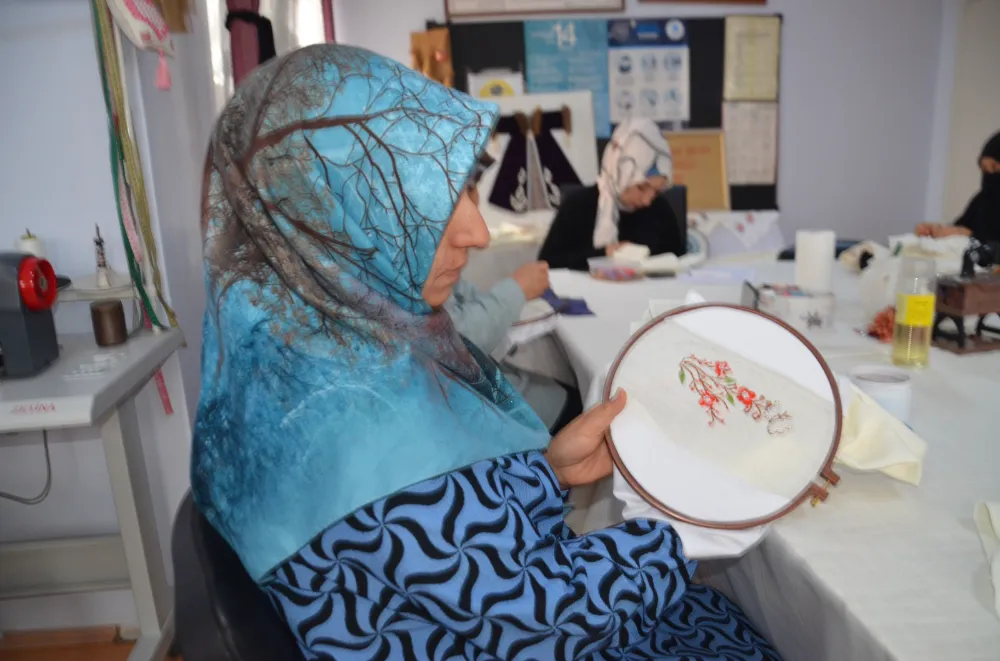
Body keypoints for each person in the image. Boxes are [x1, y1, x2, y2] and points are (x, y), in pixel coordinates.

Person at [192, 44, 781, 661]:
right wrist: (686, 526)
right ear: (328, 217)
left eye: (467, 191)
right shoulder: (358, 423)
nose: (477, 233)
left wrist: (548, 471)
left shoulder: (307, 359)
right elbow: (551, 620)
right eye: (429, 205)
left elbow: (442, 549)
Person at [446, 153, 581, 431]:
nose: (480, 238)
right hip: (494, 410)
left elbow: (462, 303)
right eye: (467, 189)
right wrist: (516, 288)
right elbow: (456, 340)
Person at [538, 118, 686, 271]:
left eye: (656, 191)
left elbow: (679, 263)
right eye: (641, 188)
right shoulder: (578, 206)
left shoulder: (660, 209)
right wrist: (604, 254)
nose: (647, 201)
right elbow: (547, 264)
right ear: (618, 172)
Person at [916, 131, 1000, 244]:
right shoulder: (982, 199)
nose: (989, 174)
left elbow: (972, 237)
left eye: (994, 167)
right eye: (984, 169)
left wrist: (971, 237)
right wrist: (936, 232)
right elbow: (960, 229)